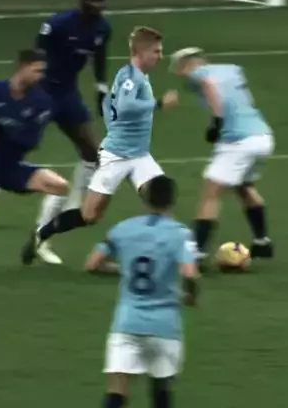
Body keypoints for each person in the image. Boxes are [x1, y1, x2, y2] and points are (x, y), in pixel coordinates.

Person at [0, 0, 111, 265]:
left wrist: (100, 86)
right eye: (93, 2)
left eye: (101, 2)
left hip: (68, 94)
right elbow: (35, 55)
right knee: (13, 148)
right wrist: (26, 91)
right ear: (82, 2)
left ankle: (48, 228)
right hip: (43, 91)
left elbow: (99, 57)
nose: (97, 7)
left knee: (92, 151)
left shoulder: (102, 28)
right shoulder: (58, 24)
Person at [21, 26, 178, 266]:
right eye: (156, 51)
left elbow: (111, 107)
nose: (160, 56)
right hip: (116, 157)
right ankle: (42, 234)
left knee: (160, 198)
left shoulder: (139, 77)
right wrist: (157, 104)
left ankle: (174, 254)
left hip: (139, 156)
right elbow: (125, 106)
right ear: (140, 52)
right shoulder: (130, 78)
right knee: (89, 215)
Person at [84, 175, 199, 408]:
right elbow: (190, 274)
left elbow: (92, 264)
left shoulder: (122, 229)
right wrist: (191, 296)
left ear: (145, 198)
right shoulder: (180, 234)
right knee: (161, 391)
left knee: (117, 392)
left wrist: (123, 270)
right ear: (173, 200)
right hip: (165, 326)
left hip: (127, 323)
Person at [169, 47, 275, 267]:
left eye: (179, 69)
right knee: (244, 186)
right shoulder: (232, 70)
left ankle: (197, 253)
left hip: (239, 140)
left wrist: (217, 121)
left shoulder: (197, 74)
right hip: (262, 136)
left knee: (211, 193)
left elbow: (209, 85)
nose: (180, 74)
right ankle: (262, 242)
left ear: (187, 65)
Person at [0, 49, 69, 216]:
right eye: (37, 71)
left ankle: (42, 231)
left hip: (12, 168)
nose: (40, 76)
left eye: (43, 72)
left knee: (60, 186)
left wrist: (10, 127)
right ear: (23, 66)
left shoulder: (42, 102)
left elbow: (31, 141)